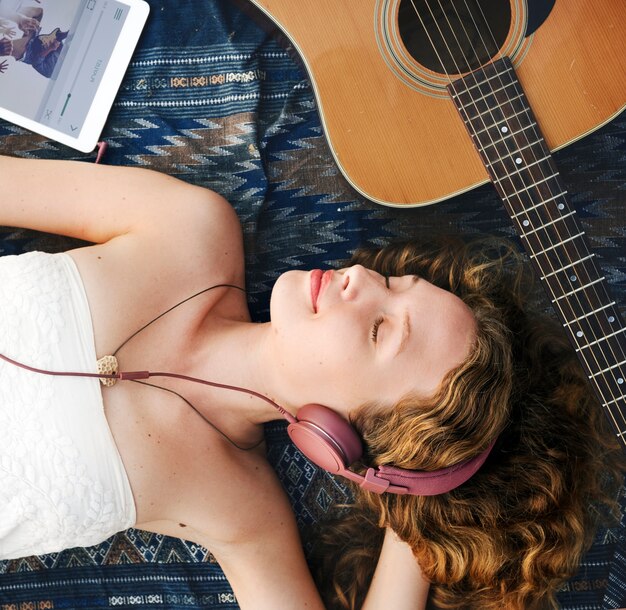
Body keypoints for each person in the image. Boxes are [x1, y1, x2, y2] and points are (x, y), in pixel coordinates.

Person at [0, 153, 622, 610]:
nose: (359, 278)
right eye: (396, 284)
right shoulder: (191, 225)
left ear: (340, 442)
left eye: (381, 330)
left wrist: (428, 497)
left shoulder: (239, 513)